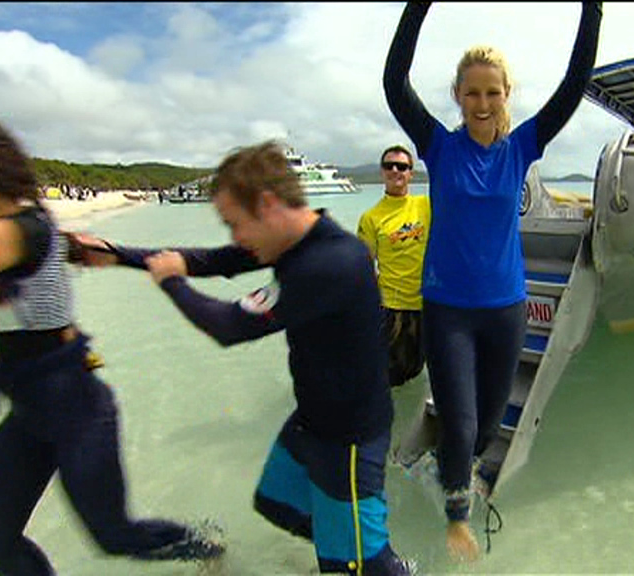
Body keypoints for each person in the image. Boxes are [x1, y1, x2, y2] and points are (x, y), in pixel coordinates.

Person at [0, 115, 224, 575]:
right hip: (30, 411)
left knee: (114, 536)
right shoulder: (22, 221)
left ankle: (207, 549)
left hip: (76, 409)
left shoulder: (13, 234)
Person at [68, 140, 412, 575]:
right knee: (276, 503)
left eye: (235, 223)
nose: (235, 237)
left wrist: (170, 283)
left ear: (267, 204)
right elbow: (210, 261)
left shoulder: (330, 263)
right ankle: (354, 549)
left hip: (348, 442)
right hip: (312, 421)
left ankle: (368, 561)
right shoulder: (296, 242)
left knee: (349, 564)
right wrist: (117, 254)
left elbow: (230, 326)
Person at [383, 1, 603, 561]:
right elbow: (394, 82)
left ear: (506, 96)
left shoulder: (522, 147)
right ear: (458, 96)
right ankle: (456, 517)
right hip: (448, 310)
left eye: (493, 93)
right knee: (459, 424)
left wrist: (593, 10)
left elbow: (574, 83)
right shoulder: (438, 146)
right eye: (473, 93)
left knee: (484, 427)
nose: (482, 103)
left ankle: (450, 468)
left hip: (506, 309)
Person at [356, 145, 430, 389]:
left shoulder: (427, 205)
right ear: (382, 171)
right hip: (392, 309)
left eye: (402, 166)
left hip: (429, 305)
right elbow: (364, 268)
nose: (395, 170)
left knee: (419, 374)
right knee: (390, 380)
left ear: (411, 173)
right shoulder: (371, 218)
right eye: (389, 166)